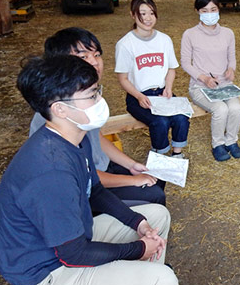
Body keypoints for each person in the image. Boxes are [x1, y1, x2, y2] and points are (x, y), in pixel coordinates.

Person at [0, 55, 188, 285]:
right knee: (162, 281)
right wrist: (139, 249)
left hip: (70, 240)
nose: (100, 101)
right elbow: (73, 254)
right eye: (91, 95)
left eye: (97, 91)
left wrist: (137, 224)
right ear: (60, 108)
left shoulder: (75, 136)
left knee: (155, 216)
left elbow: (95, 190)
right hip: (46, 271)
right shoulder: (50, 171)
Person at [29, 27, 166, 206]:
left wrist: (131, 165)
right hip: (85, 187)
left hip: (101, 167)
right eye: (84, 57)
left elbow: (96, 138)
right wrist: (134, 180)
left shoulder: (88, 94)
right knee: (153, 195)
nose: (94, 62)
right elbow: (84, 175)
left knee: (156, 178)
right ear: (61, 64)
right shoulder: (60, 112)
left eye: (97, 54)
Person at [115, 0, 190, 157]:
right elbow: (123, 79)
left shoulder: (164, 40)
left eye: (151, 13)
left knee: (181, 117)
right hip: (138, 97)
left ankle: (177, 153)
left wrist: (168, 88)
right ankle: (160, 154)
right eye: (143, 13)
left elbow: (171, 69)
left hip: (162, 93)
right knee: (160, 122)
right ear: (133, 15)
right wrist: (139, 96)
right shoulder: (125, 44)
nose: (148, 18)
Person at [181, 0, 240, 162]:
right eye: (205, 10)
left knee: (236, 108)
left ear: (219, 9)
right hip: (200, 86)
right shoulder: (190, 34)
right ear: (197, 11)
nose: (210, 14)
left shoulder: (228, 33)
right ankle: (218, 144)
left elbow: (232, 57)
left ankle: (232, 141)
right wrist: (203, 78)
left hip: (224, 84)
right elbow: (186, 63)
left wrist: (231, 69)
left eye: (213, 9)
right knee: (220, 109)